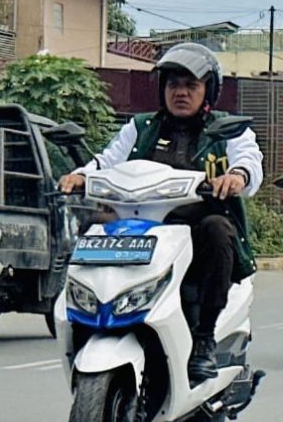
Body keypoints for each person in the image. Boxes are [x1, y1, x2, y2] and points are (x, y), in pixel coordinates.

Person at [58, 43, 263, 386]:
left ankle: (204, 338)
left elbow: (249, 159)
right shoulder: (140, 127)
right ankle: (86, 317)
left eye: (191, 85)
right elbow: (106, 161)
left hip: (194, 230)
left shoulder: (227, 128)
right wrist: (81, 175)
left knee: (217, 228)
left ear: (208, 90)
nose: (180, 92)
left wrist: (237, 175)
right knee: (93, 226)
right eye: (172, 85)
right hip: (141, 228)